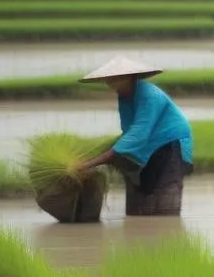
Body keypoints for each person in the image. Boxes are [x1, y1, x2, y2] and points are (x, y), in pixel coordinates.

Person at [77, 58, 193, 217]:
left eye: (116, 79)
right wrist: (114, 152)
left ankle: (168, 228)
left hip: (170, 144)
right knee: (141, 196)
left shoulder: (150, 95)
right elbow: (128, 130)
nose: (112, 85)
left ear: (131, 78)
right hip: (147, 147)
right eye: (109, 80)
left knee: (166, 194)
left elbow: (138, 133)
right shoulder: (124, 98)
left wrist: (91, 163)